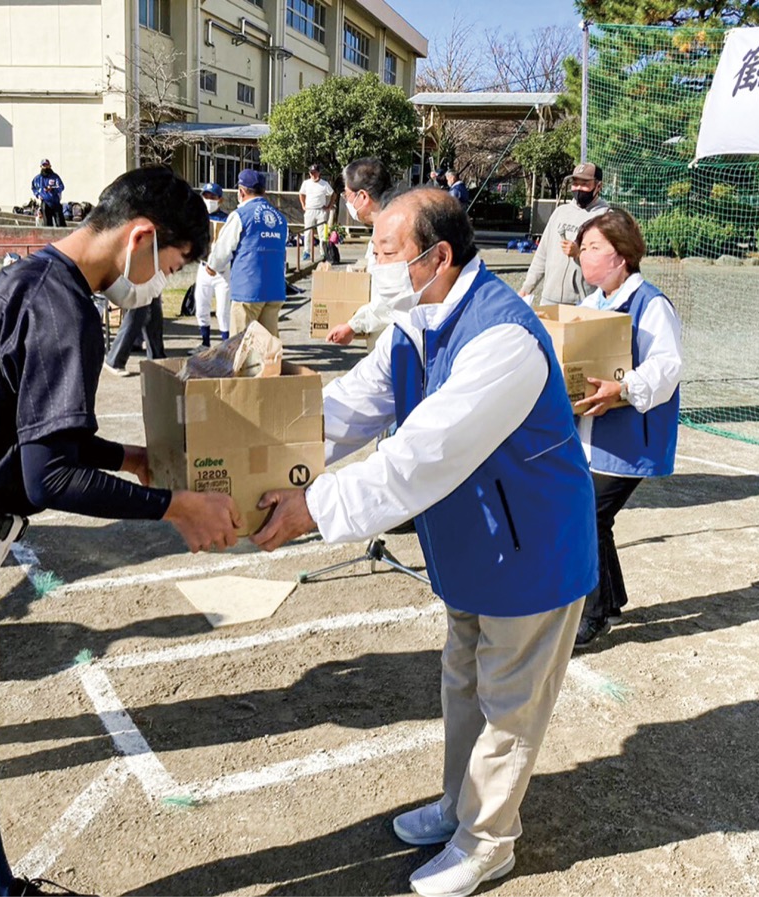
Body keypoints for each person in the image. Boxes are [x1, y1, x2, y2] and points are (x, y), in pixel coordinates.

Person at [0, 165, 240, 897]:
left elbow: (33, 432)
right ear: (143, 238)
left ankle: (2, 887)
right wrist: (176, 508)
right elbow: (48, 478)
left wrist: (129, 456)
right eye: (174, 267)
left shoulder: (26, 276)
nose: (162, 286)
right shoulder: (67, 306)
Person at [253, 188, 597, 897]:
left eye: (383, 252)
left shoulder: (503, 337)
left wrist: (312, 507)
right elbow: (351, 407)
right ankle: (456, 806)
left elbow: (421, 455)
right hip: (474, 548)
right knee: (464, 683)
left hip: (530, 551)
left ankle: (487, 841)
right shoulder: (418, 321)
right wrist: (261, 450)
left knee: (509, 705)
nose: (370, 265)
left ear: (438, 257)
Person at [570, 209, 683, 647]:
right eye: (582, 248)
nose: (585, 256)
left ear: (621, 255)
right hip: (593, 436)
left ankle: (592, 614)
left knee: (588, 514)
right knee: (596, 516)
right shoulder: (591, 304)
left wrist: (622, 388)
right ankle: (611, 601)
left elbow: (667, 366)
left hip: (630, 437)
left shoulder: (650, 303)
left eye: (594, 247)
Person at [206, 168, 287, 338]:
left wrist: (212, 266)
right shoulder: (279, 218)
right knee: (268, 345)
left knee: (241, 343)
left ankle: (244, 366)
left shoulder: (240, 215)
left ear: (241, 192)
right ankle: (270, 366)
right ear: (263, 191)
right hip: (275, 287)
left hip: (248, 289)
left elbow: (223, 247)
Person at [325, 157, 395, 346]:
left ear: (363, 197)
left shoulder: (392, 232)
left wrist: (354, 325)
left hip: (393, 339)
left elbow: (389, 300)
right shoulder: (383, 225)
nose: (347, 203)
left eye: (347, 196)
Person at [521, 161, 609, 307]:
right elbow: (542, 255)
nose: (578, 188)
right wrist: (527, 288)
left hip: (583, 303)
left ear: (598, 186)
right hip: (549, 300)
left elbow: (608, 265)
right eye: (575, 183)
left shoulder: (605, 217)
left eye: (585, 184)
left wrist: (579, 254)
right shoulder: (560, 212)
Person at [193, 182, 232, 351]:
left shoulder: (228, 219)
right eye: (206, 196)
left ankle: (226, 345)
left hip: (222, 271)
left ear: (220, 200)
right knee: (201, 306)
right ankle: (205, 342)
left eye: (212, 197)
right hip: (203, 268)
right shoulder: (198, 217)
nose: (208, 199)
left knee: (223, 311)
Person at [298, 163, 334, 261]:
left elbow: (333, 194)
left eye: (315, 173)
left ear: (319, 173)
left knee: (322, 233)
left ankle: (323, 252)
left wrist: (329, 206)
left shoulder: (324, 184)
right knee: (308, 232)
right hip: (309, 210)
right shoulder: (306, 183)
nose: (313, 175)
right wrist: (303, 205)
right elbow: (301, 194)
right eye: (311, 173)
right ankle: (306, 251)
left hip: (320, 210)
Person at [31, 159, 66, 228]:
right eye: (44, 165)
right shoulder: (37, 178)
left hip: (55, 202)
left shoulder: (55, 177)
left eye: (47, 165)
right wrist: (38, 195)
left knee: (60, 223)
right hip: (45, 203)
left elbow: (61, 187)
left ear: (50, 166)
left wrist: (52, 189)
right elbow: (33, 187)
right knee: (47, 224)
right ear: (41, 166)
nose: (46, 167)